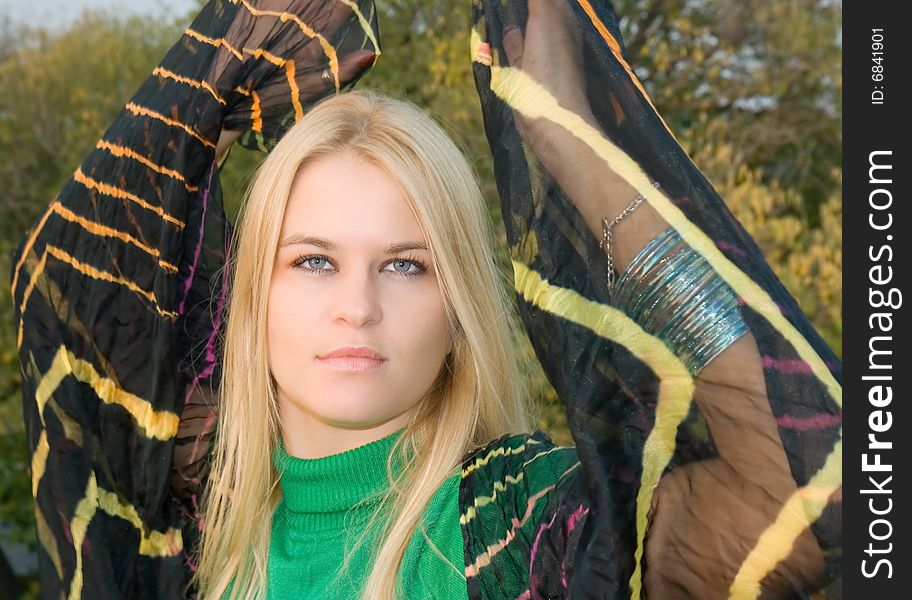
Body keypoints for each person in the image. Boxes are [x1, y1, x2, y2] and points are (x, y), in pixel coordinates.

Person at [11, 1, 842, 599]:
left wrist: (566, 133)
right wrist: (217, 78)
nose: (358, 307)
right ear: (250, 298)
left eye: (407, 266)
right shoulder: (188, 544)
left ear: (458, 314)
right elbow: (67, 290)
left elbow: (823, 493)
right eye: (312, 262)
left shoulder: (516, 529)